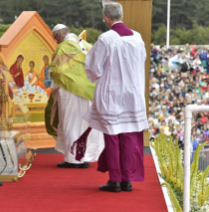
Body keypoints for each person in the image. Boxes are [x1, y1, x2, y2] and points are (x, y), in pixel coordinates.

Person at [79, 2, 148, 192]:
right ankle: (127, 179)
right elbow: (141, 60)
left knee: (112, 137)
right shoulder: (137, 37)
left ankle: (115, 180)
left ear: (107, 18)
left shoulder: (106, 38)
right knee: (128, 136)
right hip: (133, 94)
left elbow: (94, 68)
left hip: (112, 94)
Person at [45, 24, 104, 168]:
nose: (56, 42)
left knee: (71, 123)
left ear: (59, 36)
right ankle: (84, 157)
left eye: (55, 39)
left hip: (70, 90)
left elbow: (56, 72)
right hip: (89, 91)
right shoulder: (86, 44)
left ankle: (73, 159)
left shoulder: (63, 47)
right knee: (85, 125)